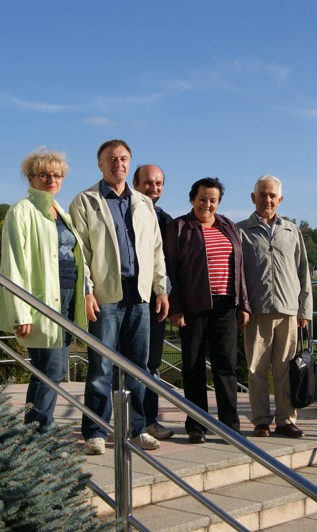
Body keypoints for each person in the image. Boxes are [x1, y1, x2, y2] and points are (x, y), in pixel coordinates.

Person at [69, 139, 169, 455]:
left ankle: (136, 429)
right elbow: (81, 253)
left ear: (129, 162)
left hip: (139, 295)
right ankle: (96, 431)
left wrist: (161, 288)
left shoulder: (143, 203)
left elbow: (156, 250)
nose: (118, 164)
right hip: (105, 294)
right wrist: (87, 292)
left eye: (124, 158)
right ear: (100, 164)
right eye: (111, 159)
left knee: (138, 366)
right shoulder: (85, 201)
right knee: (101, 366)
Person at [0, 147, 89, 432]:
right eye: (44, 175)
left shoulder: (61, 212)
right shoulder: (21, 211)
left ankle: (34, 430)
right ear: (30, 178)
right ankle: (39, 432)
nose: (51, 180)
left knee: (50, 370)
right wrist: (21, 312)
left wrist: (86, 292)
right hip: (41, 302)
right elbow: (13, 264)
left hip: (67, 299)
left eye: (57, 175)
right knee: (50, 370)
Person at [166, 177, 251, 444]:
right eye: (202, 199)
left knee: (226, 366)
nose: (207, 204)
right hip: (193, 306)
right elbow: (170, 270)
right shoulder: (179, 227)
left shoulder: (228, 226)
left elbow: (240, 268)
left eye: (213, 200)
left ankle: (230, 425)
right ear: (192, 199)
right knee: (193, 366)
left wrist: (243, 304)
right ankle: (197, 425)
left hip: (225, 306)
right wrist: (175, 307)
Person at [237, 175, 313, 438]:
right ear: (253, 197)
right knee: (256, 370)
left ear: (280, 199)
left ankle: (286, 419)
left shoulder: (292, 231)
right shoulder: (241, 231)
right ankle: (260, 421)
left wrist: (305, 310)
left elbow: (303, 271)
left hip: (288, 311)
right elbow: (237, 274)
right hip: (256, 312)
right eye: (262, 194)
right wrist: (241, 306)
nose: (267, 200)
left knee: (285, 370)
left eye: (272, 195)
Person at [132, 164, 175, 441]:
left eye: (158, 183)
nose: (153, 188)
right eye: (148, 183)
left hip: (155, 301)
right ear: (135, 184)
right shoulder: (122, 212)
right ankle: (123, 423)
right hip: (125, 299)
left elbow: (170, 264)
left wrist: (166, 294)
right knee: (122, 364)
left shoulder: (166, 221)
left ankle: (149, 421)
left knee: (151, 363)